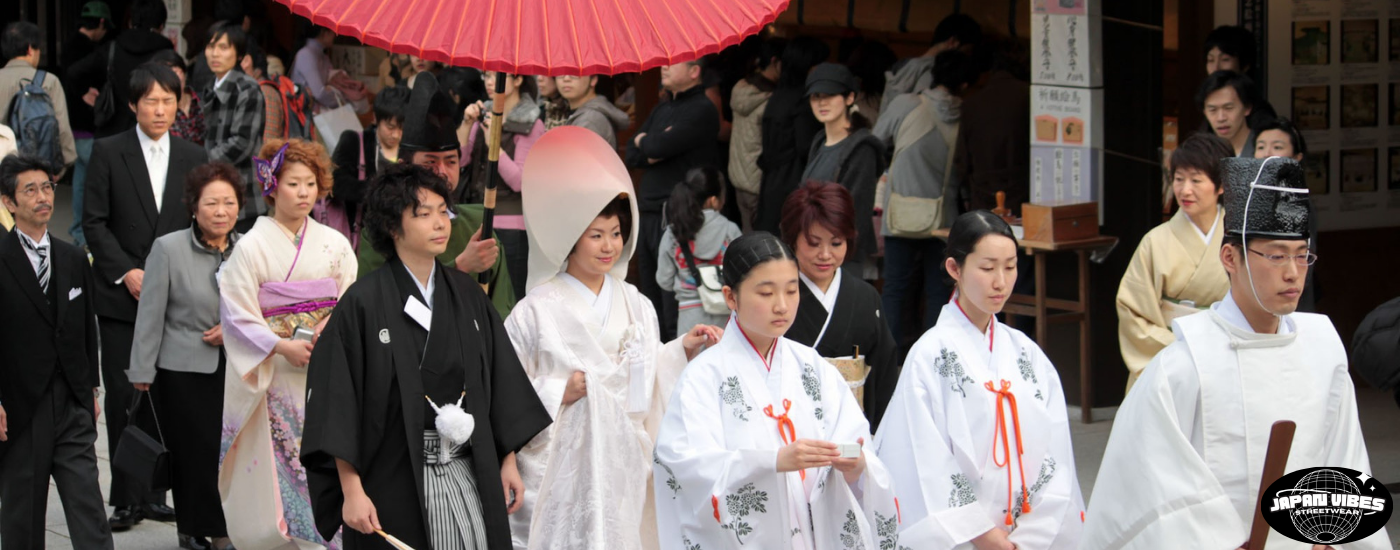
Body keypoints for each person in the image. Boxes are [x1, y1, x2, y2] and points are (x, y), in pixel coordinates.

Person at [1082, 157, 1390, 549]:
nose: (1293, 273)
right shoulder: (1184, 365)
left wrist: (1332, 535)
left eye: (1302, 255)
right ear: (1230, 258)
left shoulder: (1322, 348)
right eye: (1276, 256)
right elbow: (1152, 490)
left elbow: (1344, 459)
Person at [302, 162, 552, 550]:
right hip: (392, 475)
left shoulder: (468, 295)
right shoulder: (362, 304)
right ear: (392, 226)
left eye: (443, 212)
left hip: (470, 467)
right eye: (423, 214)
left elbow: (499, 383)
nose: (440, 223)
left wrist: (507, 461)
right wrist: (351, 489)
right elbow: (338, 403)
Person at [505, 126, 719, 550]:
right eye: (596, 235)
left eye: (616, 234)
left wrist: (681, 350)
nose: (609, 246)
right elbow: (505, 388)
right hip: (561, 463)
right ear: (571, 238)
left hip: (622, 462)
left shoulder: (636, 303)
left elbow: (650, 375)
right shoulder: (534, 309)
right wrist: (555, 391)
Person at [652, 231, 900, 548]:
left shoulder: (812, 366)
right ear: (731, 297)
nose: (782, 306)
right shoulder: (703, 377)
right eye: (766, 293)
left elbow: (855, 441)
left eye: (792, 290)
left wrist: (854, 463)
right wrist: (773, 461)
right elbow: (686, 465)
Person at [875, 211, 1085, 549]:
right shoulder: (929, 356)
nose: (1000, 281)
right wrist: (981, 534)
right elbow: (923, 458)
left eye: (1011, 266)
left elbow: (1054, 447)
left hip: (1026, 533)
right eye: (987, 268)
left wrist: (1032, 533)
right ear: (954, 269)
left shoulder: (1025, 355)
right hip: (961, 537)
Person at [83, 61, 208, 532]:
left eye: (168, 100)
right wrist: (126, 273)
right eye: (151, 101)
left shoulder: (193, 154)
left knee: (167, 394)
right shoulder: (109, 151)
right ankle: (126, 496)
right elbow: (93, 221)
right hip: (122, 296)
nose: (160, 109)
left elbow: (202, 222)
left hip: (176, 299)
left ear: (180, 104)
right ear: (133, 104)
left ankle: (157, 491)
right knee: (122, 396)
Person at [218, 138, 356, 550]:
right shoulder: (251, 246)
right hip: (276, 374)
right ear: (272, 186)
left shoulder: (335, 243)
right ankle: (290, 537)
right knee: (282, 464)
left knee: (326, 454)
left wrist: (330, 323)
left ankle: (326, 535)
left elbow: (350, 297)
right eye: (293, 183)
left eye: (310, 184)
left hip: (323, 366)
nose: (303, 193)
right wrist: (280, 347)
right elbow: (237, 313)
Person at [126, 162, 243, 550]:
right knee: (195, 455)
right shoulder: (169, 248)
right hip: (182, 372)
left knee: (231, 455)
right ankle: (194, 529)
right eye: (212, 203)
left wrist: (233, 330)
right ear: (194, 207)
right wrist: (141, 371)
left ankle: (225, 526)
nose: (221, 211)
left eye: (229, 202)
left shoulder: (247, 248)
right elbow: (151, 313)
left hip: (238, 368)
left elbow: (261, 308)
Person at [0, 154, 112, 550]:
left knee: (88, 506)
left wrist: (92, 391)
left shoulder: (72, 257)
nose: (42, 197)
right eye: (29, 190)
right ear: (9, 203)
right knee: (23, 511)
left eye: (47, 187)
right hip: (19, 403)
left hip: (72, 400)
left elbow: (85, 330)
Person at [358, 72, 515, 318]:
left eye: (451, 161)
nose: (442, 173)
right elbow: (376, 302)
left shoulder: (479, 225)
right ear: (403, 166)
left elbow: (503, 309)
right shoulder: (384, 226)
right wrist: (460, 268)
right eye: (430, 162)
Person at [873, 49, 976, 352]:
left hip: (901, 213)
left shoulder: (906, 104)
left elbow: (875, 140)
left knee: (894, 288)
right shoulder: (965, 116)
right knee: (937, 290)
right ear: (966, 85)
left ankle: (888, 360)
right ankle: (933, 357)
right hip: (944, 218)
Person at [1115, 133, 1233, 393]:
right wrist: (1180, 346)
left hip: (1224, 356)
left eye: (1196, 180)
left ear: (1221, 185)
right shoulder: (1155, 241)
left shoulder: (1239, 240)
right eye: (1179, 179)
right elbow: (1132, 311)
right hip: (1168, 357)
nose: (1184, 189)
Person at [779, 181, 899, 430]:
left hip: (852, 430)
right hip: (792, 429)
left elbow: (883, 375)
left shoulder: (866, 298)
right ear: (792, 240)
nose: (825, 254)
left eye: (836, 243)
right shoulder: (777, 297)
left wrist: (877, 433)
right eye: (813, 243)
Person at [626, 58, 721, 341]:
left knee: (672, 298)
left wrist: (652, 143)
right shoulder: (663, 107)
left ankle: (678, 361)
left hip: (679, 215)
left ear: (695, 71)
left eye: (674, 63)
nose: (664, 67)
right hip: (649, 211)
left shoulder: (703, 109)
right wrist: (651, 144)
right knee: (649, 291)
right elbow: (633, 152)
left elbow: (654, 145)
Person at [460, 71, 545, 297]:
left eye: (496, 76)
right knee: (475, 298)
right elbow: (460, 161)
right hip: (477, 219)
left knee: (509, 298)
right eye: (486, 75)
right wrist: (466, 124)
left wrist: (493, 145)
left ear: (518, 80)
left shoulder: (532, 123)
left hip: (511, 225)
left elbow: (519, 181)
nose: (489, 81)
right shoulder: (484, 116)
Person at [800, 63, 884, 276]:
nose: (822, 102)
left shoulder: (862, 148)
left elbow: (855, 215)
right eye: (815, 96)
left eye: (830, 94)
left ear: (849, 98)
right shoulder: (819, 141)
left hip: (841, 259)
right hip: (810, 252)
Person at [657, 166, 743, 338]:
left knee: (693, 364)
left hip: (689, 319)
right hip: (726, 318)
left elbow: (664, 280)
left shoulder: (673, 233)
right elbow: (743, 272)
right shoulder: (730, 230)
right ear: (713, 200)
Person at [755, 36, 828, 234]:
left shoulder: (778, 96)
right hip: (791, 184)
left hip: (771, 183)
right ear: (808, 66)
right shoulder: (803, 102)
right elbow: (806, 147)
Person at [201, 21, 266, 231]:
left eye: (223, 47)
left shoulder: (248, 88)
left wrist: (200, 159)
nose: (215, 54)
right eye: (211, 47)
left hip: (243, 193)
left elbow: (242, 143)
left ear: (239, 55)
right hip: (212, 187)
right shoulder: (209, 85)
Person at [76, 0, 174, 139]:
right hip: (152, 132)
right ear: (161, 25)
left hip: (112, 133)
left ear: (130, 22)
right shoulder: (166, 53)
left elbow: (74, 72)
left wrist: (85, 92)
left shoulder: (113, 47)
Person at [328, 85, 408, 251]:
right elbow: (336, 183)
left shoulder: (411, 149)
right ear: (375, 119)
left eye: (402, 128)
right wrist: (380, 192)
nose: (396, 135)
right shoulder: (354, 141)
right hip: (361, 236)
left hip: (401, 238)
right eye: (390, 127)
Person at [59, 1, 112, 247]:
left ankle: (79, 230)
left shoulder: (69, 45)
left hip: (75, 126)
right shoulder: (88, 49)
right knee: (94, 182)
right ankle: (86, 233)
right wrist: (84, 93)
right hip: (88, 126)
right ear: (101, 23)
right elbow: (74, 77)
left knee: (82, 180)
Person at [955, 43, 1031, 214]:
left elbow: (961, 160)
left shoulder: (972, 103)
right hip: (1024, 192)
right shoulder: (1030, 96)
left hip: (982, 192)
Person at [0, 22, 78, 170]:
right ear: (30, 49)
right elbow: (61, 128)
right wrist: (65, 163)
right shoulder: (48, 81)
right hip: (36, 167)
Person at [729, 38, 782, 232]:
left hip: (738, 176)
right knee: (759, 244)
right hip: (758, 180)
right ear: (776, 62)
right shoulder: (771, 100)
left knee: (747, 234)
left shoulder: (740, 88)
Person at [880, 13, 981, 114]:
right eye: (967, 51)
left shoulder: (901, 65)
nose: (967, 58)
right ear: (953, 42)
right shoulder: (937, 74)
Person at [150, 50, 206, 145]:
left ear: (184, 73)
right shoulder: (158, 112)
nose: (172, 78)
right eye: (165, 74)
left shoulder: (205, 100)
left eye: (175, 71)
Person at [557, 74, 630, 149]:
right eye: (560, 73)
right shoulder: (585, 112)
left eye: (575, 73)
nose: (566, 78)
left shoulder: (590, 120)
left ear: (593, 80)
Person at [1197, 71, 1257, 157]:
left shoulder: (1264, 149)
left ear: (1247, 108)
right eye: (1212, 110)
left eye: (1228, 108)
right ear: (1205, 112)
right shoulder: (1200, 154)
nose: (1221, 118)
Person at [291, 24, 340, 112]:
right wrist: (340, 100)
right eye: (333, 31)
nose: (335, 34)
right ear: (323, 32)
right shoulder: (306, 55)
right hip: (306, 114)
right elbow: (319, 93)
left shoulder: (322, 56)